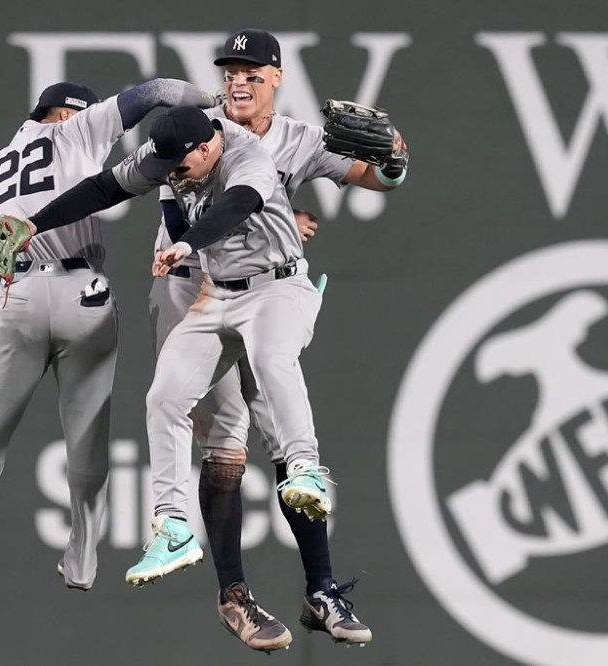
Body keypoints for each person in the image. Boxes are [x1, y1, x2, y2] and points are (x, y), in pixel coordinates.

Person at [21, 105, 337, 650]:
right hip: (217, 297)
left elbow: (237, 204)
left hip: (277, 287)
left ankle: (306, 469)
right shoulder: (174, 152)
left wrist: (189, 243)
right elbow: (103, 189)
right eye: (163, 164)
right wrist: (31, 222)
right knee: (164, 397)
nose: (170, 172)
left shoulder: (246, 156)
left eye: (179, 164)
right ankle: (172, 525)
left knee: (270, 358)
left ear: (208, 145)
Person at [148, 29, 409, 651]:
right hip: (192, 284)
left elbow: (376, 177)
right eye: (231, 71)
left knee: (282, 427)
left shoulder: (298, 138)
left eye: (253, 72)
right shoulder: (196, 129)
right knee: (227, 441)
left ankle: (321, 589)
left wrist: (397, 159)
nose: (239, 81)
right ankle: (232, 595)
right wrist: (274, 216)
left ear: (277, 79)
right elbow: (182, 215)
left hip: (262, 289)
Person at [0, 79, 216, 591]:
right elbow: (158, 92)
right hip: (84, 294)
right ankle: (83, 559)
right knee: (86, 439)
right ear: (64, 114)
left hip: (16, 292)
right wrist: (213, 107)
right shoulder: (77, 130)